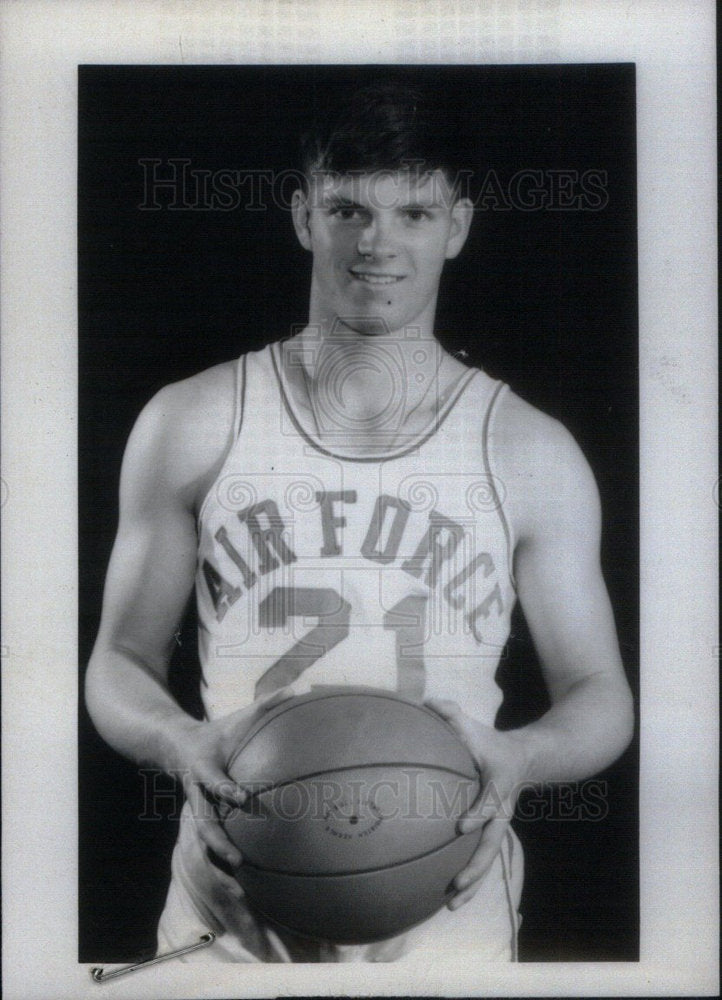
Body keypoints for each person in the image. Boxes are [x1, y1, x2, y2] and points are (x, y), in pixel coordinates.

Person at [85, 81, 634, 964]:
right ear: (303, 215)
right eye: (349, 208)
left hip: (447, 902)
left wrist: (522, 757)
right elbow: (118, 661)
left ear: (457, 225)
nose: (378, 244)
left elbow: (599, 693)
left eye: (413, 213)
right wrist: (178, 740)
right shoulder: (191, 421)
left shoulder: (531, 449)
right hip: (228, 903)